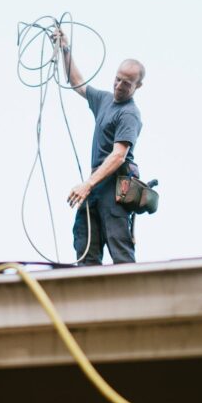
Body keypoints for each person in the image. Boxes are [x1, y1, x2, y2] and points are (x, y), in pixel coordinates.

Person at [54, 28, 145, 265]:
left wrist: (88, 184)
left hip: (113, 189)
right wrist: (65, 48)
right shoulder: (105, 100)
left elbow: (118, 156)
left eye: (127, 83)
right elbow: (77, 83)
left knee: (119, 248)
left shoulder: (129, 114)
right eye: (117, 79)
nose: (119, 86)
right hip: (94, 188)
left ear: (138, 86)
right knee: (85, 246)